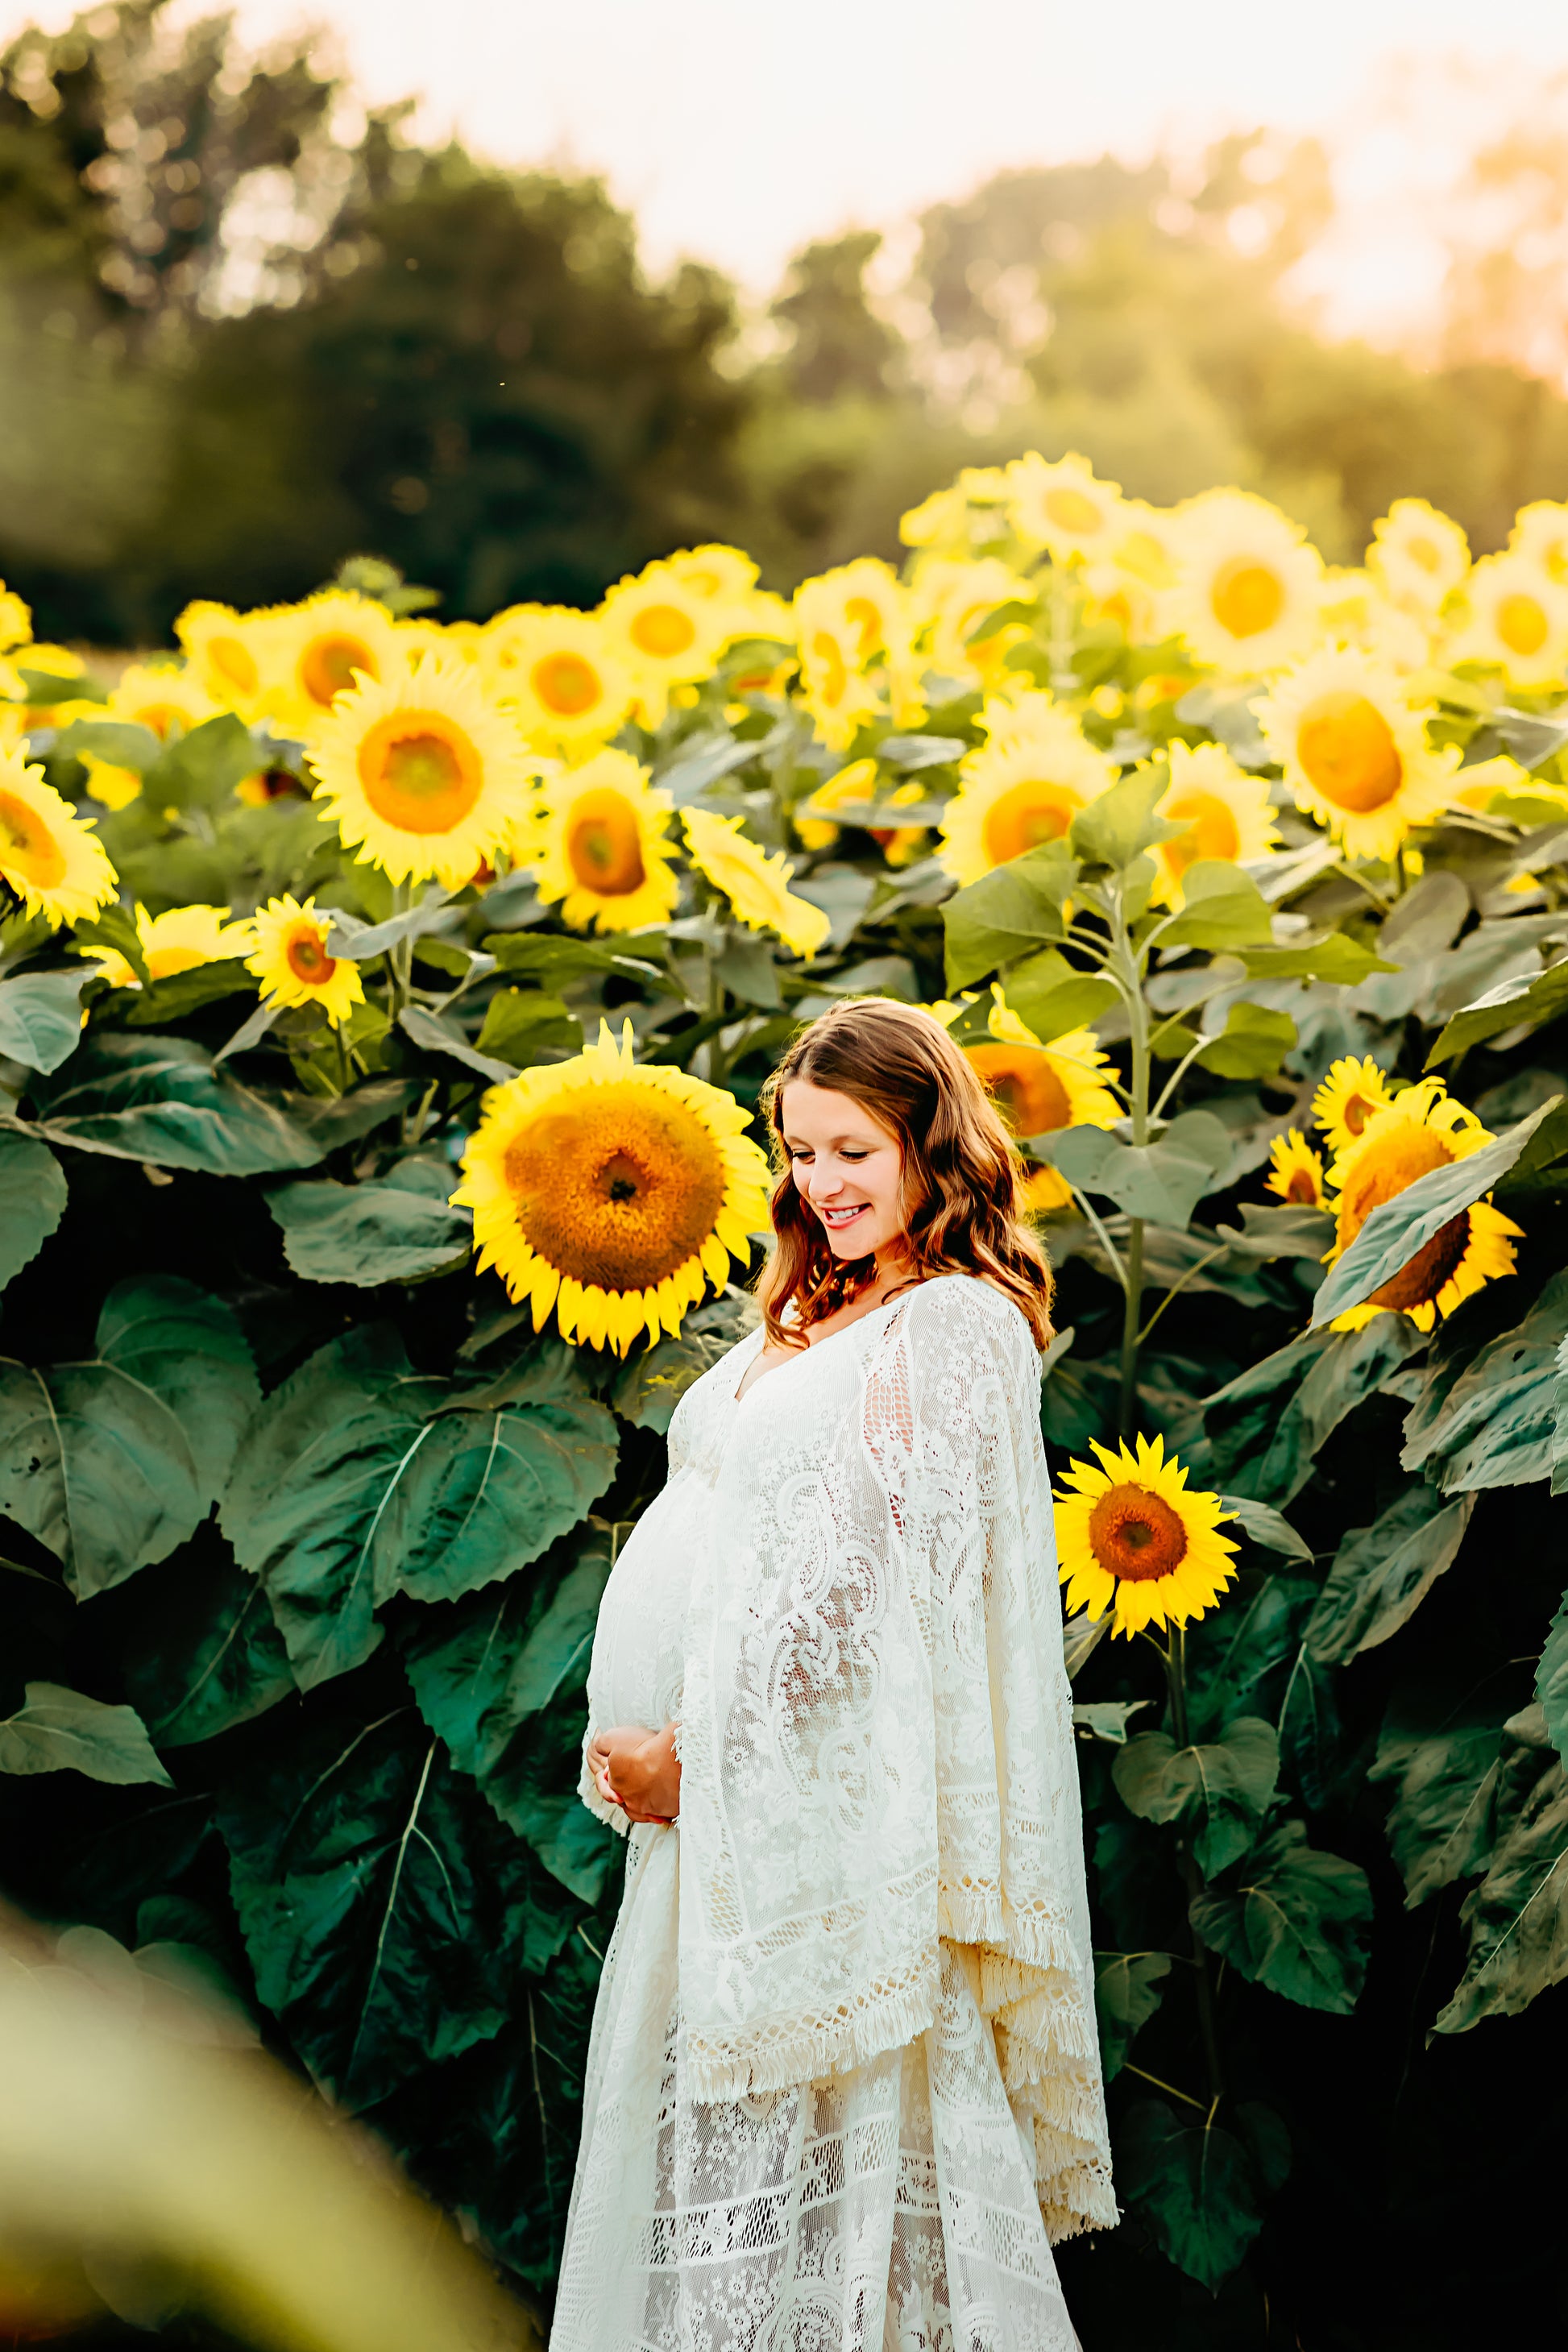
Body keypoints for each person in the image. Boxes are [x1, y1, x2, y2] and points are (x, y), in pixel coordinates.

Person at [553, 998, 1114, 2351]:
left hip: (813, 1827)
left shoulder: (954, 1325)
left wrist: (699, 1756)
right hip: (724, 1841)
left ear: (929, 1146)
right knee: (716, 2206)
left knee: (849, 2192)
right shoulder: (820, 1305)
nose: (823, 1184)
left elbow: (867, 1585)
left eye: (853, 1151)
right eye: (800, 1154)